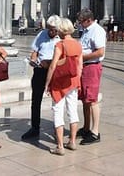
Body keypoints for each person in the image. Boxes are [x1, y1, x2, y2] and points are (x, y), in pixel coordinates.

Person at [44, 16, 83, 154]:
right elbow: (80, 66)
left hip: (60, 83)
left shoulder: (60, 45)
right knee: (72, 111)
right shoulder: (78, 44)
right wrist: (77, 81)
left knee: (58, 111)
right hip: (73, 81)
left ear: (61, 30)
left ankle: (60, 146)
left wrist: (47, 83)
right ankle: (72, 141)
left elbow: (53, 65)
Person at [21, 15, 61, 140]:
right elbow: (35, 51)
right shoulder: (42, 34)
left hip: (55, 72)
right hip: (39, 71)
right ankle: (35, 127)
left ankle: (57, 129)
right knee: (36, 100)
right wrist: (33, 60)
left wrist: (50, 63)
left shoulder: (61, 38)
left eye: (54, 30)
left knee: (57, 101)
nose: (51, 32)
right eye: (49, 29)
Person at [76, 8, 106, 145]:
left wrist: (82, 57)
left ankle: (95, 132)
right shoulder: (86, 31)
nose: (80, 24)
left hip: (92, 67)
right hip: (85, 67)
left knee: (92, 99)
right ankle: (86, 127)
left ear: (89, 20)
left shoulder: (97, 30)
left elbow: (100, 52)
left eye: (81, 21)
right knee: (85, 99)